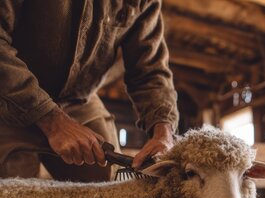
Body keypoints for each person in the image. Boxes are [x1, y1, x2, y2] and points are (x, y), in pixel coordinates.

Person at [0, 0, 179, 181]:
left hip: (79, 99)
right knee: (14, 195)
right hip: (8, 95)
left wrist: (164, 132)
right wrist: (52, 120)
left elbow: (150, 69)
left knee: (110, 185)